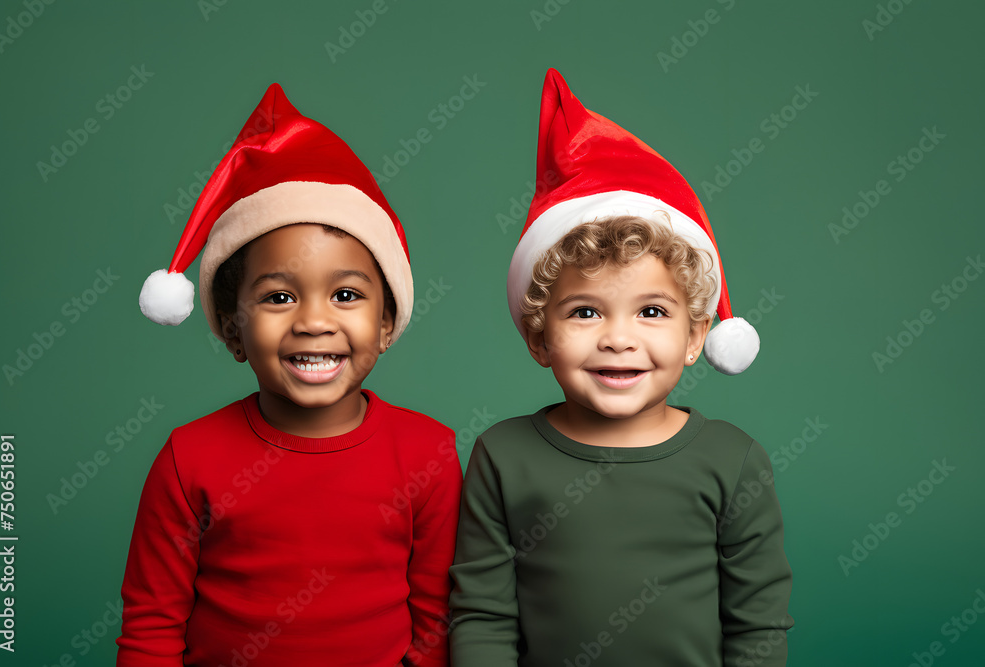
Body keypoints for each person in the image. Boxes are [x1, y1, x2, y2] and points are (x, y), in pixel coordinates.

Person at [449, 69, 793, 667]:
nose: (618, 339)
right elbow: (482, 615)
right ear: (539, 337)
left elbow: (758, 623)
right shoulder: (502, 457)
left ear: (695, 336)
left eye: (652, 312)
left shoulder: (733, 462)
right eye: (585, 311)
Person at [119, 83, 461, 666]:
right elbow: (151, 627)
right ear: (232, 330)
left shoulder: (429, 453)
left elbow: (437, 623)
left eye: (346, 294)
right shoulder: (188, 458)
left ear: (386, 322)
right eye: (279, 297)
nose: (313, 321)